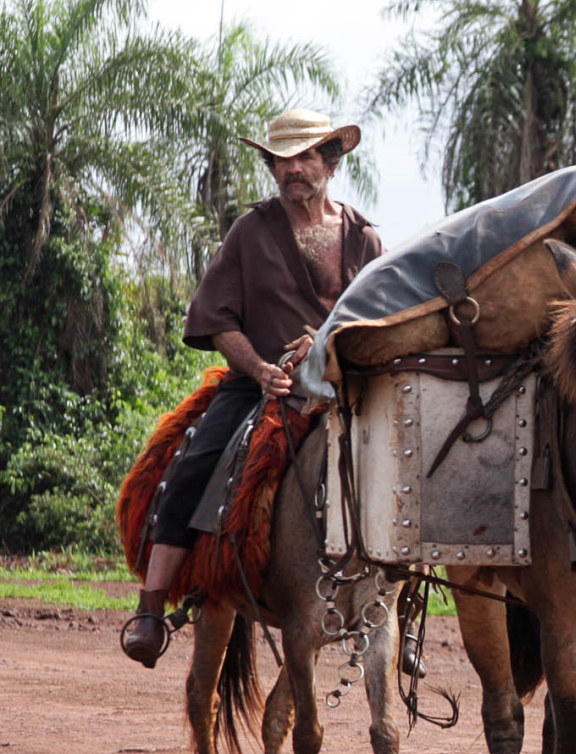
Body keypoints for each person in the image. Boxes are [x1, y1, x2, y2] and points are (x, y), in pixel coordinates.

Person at [121, 110, 384, 666]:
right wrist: (261, 369)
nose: (293, 169)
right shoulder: (250, 231)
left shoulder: (364, 237)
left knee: (411, 463)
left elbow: (382, 321)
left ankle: (403, 604)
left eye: (304, 157)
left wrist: (330, 344)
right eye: (282, 160)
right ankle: (151, 606)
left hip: (345, 386)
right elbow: (218, 321)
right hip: (259, 386)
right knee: (191, 462)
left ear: (331, 163)